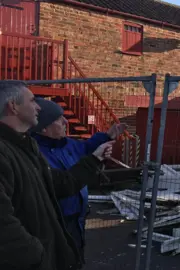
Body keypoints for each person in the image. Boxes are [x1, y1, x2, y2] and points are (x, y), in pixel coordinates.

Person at [0, 81, 114, 270]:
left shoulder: (26, 147)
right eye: (32, 100)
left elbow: (59, 183)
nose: (38, 106)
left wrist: (94, 159)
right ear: (13, 106)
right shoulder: (5, 152)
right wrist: (37, 254)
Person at [30, 97, 126, 261]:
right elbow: (61, 184)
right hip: (54, 224)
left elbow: (86, 147)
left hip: (77, 220)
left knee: (75, 256)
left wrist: (107, 136)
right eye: (59, 119)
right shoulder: (34, 154)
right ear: (44, 128)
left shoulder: (67, 144)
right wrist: (96, 158)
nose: (65, 122)